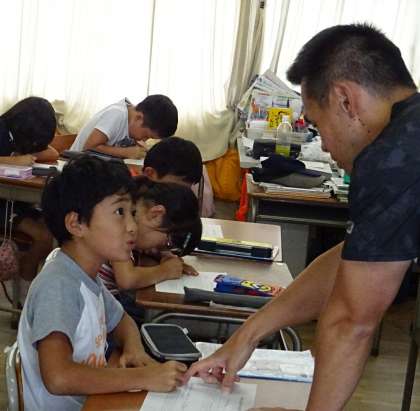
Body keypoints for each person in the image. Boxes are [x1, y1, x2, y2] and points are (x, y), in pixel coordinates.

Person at [186, 23, 420, 410]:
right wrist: (247, 335)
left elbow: (350, 321)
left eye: (317, 123)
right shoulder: (409, 133)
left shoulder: (393, 158)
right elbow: (353, 261)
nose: (324, 145)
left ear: (345, 100)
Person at [17, 156, 187, 410]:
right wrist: (143, 376)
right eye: (119, 212)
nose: (132, 226)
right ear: (76, 224)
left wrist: (134, 349)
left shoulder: (85, 275)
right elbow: (58, 377)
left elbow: (122, 321)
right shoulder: (59, 285)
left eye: (132, 213)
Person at [98, 176, 202, 323]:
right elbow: (126, 279)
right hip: (98, 309)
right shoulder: (122, 227)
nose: (160, 248)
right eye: (167, 243)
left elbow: (149, 250)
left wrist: (164, 256)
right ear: (156, 215)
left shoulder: (137, 224)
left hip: (108, 302)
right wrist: (165, 270)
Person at [0, 96, 58, 280]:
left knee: (53, 229)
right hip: (3, 203)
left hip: (14, 200)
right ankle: (27, 277)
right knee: (44, 237)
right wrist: (13, 161)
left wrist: (26, 155)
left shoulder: (18, 137)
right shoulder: (2, 130)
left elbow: (53, 153)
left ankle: (27, 272)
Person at [70, 95, 178, 159]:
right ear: (139, 118)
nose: (144, 140)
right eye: (146, 135)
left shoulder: (132, 120)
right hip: (77, 167)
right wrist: (125, 152)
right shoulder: (116, 114)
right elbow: (89, 147)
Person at [143, 136, 215, 217]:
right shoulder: (136, 202)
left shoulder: (181, 202)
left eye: (187, 189)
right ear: (150, 173)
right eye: (174, 187)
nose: (179, 195)